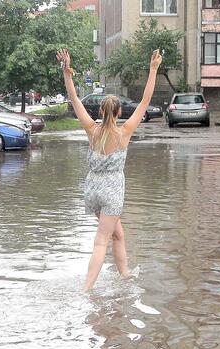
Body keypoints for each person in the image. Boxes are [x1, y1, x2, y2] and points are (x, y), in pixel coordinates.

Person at [57, 48, 162, 291]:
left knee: (119, 235)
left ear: (101, 112)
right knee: (100, 243)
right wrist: (153, 69)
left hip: (92, 190)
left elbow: (74, 99)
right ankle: (87, 288)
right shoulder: (124, 132)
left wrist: (67, 73)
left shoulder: (91, 129)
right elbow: (145, 101)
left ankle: (125, 275)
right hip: (112, 193)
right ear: (119, 113)